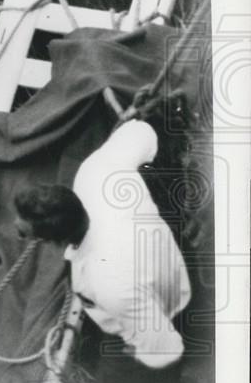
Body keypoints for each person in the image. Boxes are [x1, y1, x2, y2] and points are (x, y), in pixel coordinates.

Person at [13, 119, 189, 369]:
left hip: (164, 307)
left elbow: (166, 350)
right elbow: (142, 132)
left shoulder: (107, 284)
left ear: (53, 240)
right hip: (165, 264)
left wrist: (140, 353)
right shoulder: (96, 172)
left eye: (24, 233)